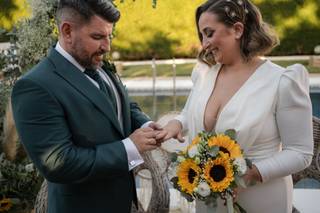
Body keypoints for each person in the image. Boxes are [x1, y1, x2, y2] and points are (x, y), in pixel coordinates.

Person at [11, 0, 166, 212]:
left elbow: (121, 107)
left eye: (108, 36)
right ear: (67, 31)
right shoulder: (34, 87)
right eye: (97, 37)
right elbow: (59, 163)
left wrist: (148, 125)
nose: (107, 46)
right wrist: (129, 148)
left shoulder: (97, 66)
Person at [163, 0, 314, 212]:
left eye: (209, 33)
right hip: (209, 202)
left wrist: (253, 173)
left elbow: (300, 152)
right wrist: (176, 124)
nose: (204, 44)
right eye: (202, 36)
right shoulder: (205, 73)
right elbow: (191, 113)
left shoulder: (282, 81)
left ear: (237, 29)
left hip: (262, 198)